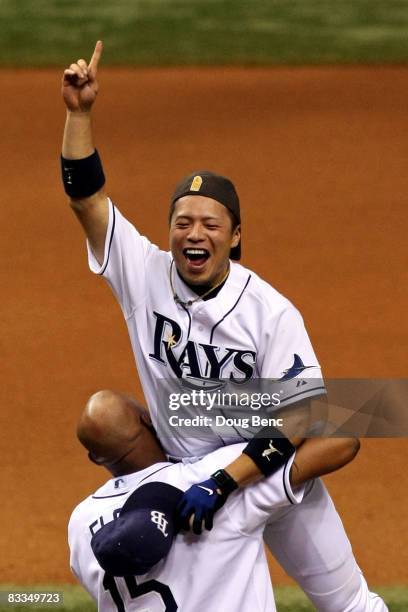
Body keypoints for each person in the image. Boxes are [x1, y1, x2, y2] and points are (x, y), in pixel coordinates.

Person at [62, 43, 387, 611]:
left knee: (347, 603)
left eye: (210, 224)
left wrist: (227, 481)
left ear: (234, 236)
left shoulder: (269, 311)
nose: (195, 233)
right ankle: (161, 505)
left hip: (262, 469)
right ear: (168, 233)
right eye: (182, 222)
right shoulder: (145, 271)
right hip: (176, 461)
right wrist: (79, 113)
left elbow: (309, 418)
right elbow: (86, 197)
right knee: (101, 416)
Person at [69, 391, 381, 612]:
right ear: (148, 421)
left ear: (95, 457)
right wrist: (233, 478)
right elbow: (341, 440)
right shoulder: (205, 479)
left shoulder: (81, 523)